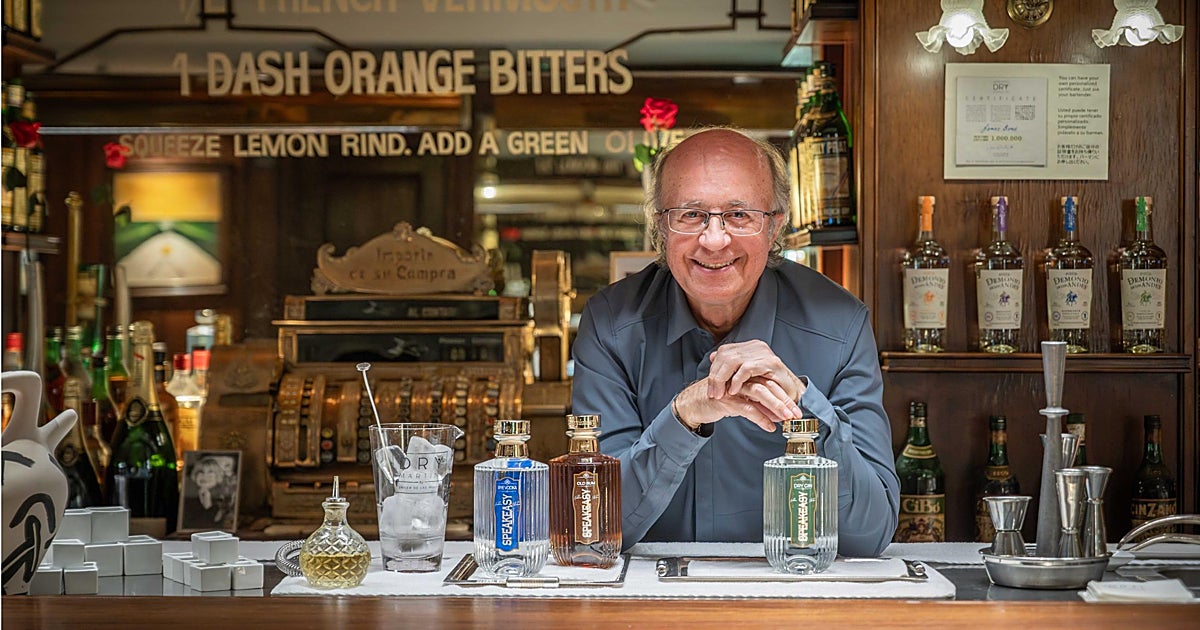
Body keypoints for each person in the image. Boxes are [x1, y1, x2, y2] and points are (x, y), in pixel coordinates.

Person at [571, 127, 899, 556]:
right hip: (651, 592)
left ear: (774, 225)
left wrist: (802, 404)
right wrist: (683, 416)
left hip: (791, 588)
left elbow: (871, 534)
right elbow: (595, 528)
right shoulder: (611, 325)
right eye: (690, 214)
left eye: (739, 215)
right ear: (661, 226)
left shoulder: (840, 324)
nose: (714, 240)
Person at [181, 454, 236, 531]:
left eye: (210, 472)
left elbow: (213, 526)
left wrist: (208, 506)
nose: (204, 476)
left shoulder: (224, 499)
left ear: (218, 476)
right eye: (201, 472)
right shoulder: (187, 497)